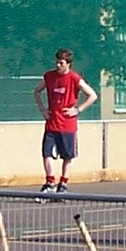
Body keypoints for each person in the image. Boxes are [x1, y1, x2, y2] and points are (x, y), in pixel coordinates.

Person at [33, 48, 100, 195]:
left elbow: (92, 95)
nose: (58, 65)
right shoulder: (49, 77)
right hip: (52, 124)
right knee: (47, 153)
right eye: (57, 62)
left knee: (67, 156)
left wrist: (78, 109)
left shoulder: (75, 78)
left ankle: (63, 185)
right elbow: (37, 91)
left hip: (67, 126)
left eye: (61, 63)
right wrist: (43, 109)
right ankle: (50, 183)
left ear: (68, 64)